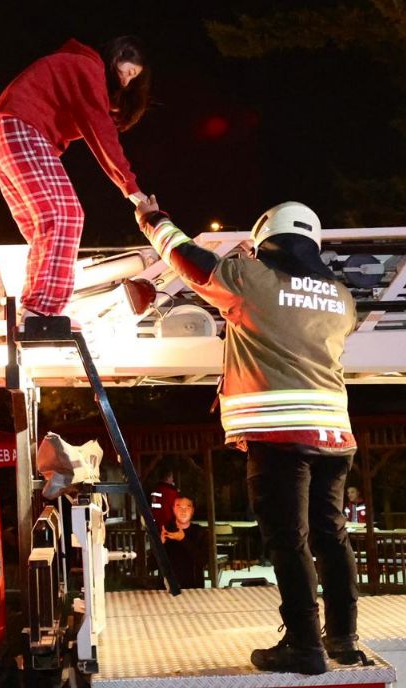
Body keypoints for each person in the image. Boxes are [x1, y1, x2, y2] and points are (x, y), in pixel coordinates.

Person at [136, 198, 364, 674]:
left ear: (267, 240)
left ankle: (304, 645)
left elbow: (189, 260)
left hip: (280, 436)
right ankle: (342, 638)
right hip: (336, 435)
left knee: (289, 540)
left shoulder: (251, 279)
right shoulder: (342, 297)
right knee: (331, 536)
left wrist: (153, 219)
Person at [0, 37, 151, 319]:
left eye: (132, 79)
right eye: (128, 71)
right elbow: (101, 132)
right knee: (66, 214)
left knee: (41, 228)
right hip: (21, 128)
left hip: (2, 135)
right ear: (116, 56)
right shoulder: (86, 68)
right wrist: (132, 189)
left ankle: (32, 308)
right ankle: (43, 311)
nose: (126, 81)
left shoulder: (72, 67)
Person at [160, 496, 210, 589]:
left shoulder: (200, 532)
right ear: (173, 509)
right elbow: (151, 565)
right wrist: (160, 544)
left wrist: (183, 539)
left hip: (194, 588)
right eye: (179, 507)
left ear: (192, 510)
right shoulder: (165, 532)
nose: (183, 511)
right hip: (168, 589)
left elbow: (203, 561)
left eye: (187, 507)